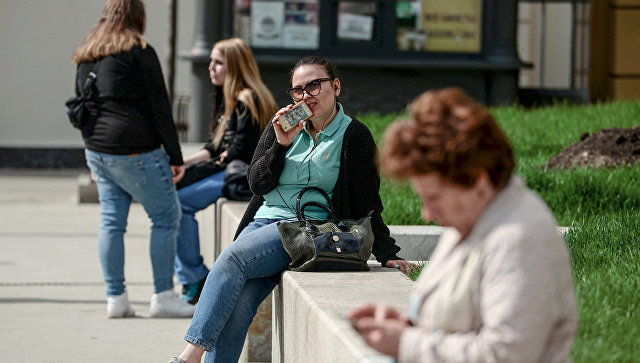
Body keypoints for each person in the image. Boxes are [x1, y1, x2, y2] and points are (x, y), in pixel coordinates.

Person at [170, 56, 410, 363]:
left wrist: (387, 252)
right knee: (240, 303)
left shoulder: (355, 136)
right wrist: (280, 145)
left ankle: (189, 355)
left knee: (232, 257)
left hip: (307, 229)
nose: (306, 95)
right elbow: (256, 183)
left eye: (314, 85)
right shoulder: (283, 126)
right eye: (298, 90)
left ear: (335, 87)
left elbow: (367, 203)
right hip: (263, 222)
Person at [348, 88, 578, 362]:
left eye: (432, 197)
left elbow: (506, 354)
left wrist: (406, 344)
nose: (426, 213)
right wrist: (406, 328)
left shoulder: (519, 239)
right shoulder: (471, 218)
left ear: (477, 179)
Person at [73, 0, 195, 318]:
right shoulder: (139, 51)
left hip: (99, 152)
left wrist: (90, 153)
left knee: (112, 223)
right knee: (167, 218)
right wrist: (175, 155)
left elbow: (83, 108)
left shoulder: (88, 54)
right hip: (137, 151)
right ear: (137, 17)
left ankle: (116, 299)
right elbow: (159, 107)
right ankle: (163, 297)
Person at [175, 37, 277, 304]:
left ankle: (195, 277)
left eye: (218, 62)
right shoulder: (229, 98)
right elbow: (214, 147)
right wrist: (182, 164)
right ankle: (192, 276)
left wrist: (204, 164)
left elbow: (238, 152)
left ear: (235, 66)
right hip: (229, 171)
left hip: (243, 176)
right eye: (211, 61)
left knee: (178, 204)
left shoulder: (248, 99)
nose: (211, 68)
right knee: (173, 200)